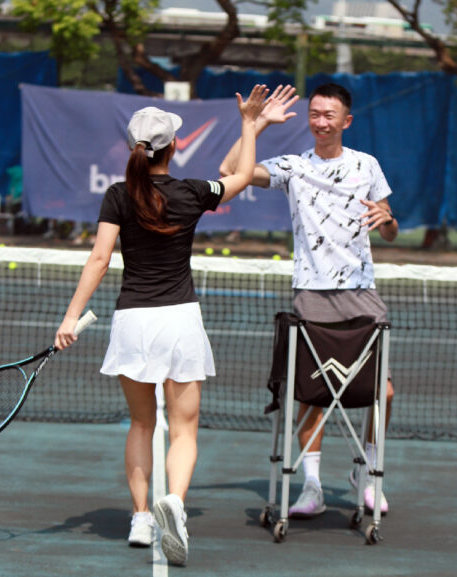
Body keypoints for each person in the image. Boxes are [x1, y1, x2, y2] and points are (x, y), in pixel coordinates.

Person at [54, 85, 269, 565]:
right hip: (180, 321)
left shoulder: (117, 194)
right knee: (184, 428)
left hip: (132, 322)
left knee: (140, 422)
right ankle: (175, 503)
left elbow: (99, 258)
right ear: (175, 147)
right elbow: (237, 179)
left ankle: (140, 517)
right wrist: (250, 127)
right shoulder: (194, 192)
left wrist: (71, 316)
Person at [219, 82, 398, 518]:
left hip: (362, 294)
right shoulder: (293, 167)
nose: (320, 122)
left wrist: (388, 218)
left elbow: (391, 229)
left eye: (328, 115)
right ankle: (312, 486)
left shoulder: (367, 165)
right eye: (314, 114)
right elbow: (229, 171)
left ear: (346, 121)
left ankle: (368, 471)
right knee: (312, 395)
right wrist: (255, 124)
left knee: (384, 393)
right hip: (311, 295)